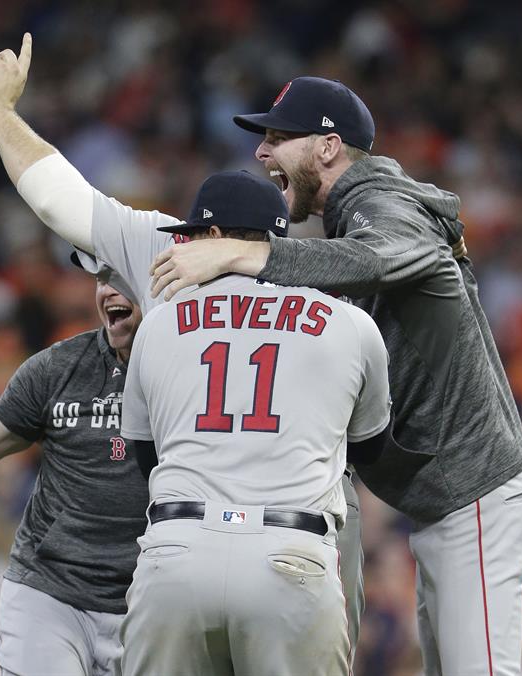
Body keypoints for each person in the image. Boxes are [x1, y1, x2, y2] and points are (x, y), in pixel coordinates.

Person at [0, 35, 366, 664]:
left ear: (204, 233)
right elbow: (364, 435)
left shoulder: (167, 255)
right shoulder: (324, 286)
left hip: (182, 545)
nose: (263, 149)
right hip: (298, 543)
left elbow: (57, 196)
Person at [148, 77, 522, 676]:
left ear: (327, 147)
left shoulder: (378, 200)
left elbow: (389, 250)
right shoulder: (358, 211)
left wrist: (239, 254)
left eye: (278, 137)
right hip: (453, 498)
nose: (262, 153)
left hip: (478, 488)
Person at [118, 170, 391, 675]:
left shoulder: (159, 322)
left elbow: (145, 455)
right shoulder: (348, 322)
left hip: (178, 553)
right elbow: (369, 450)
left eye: (189, 236)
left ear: (216, 239)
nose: (180, 249)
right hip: (291, 556)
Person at [0, 256, 147, 676]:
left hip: (149, 598)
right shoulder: (56, 368)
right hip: (50, 593)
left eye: (124, 278)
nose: (108, 290)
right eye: (101, 278)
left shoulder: (201, 376)